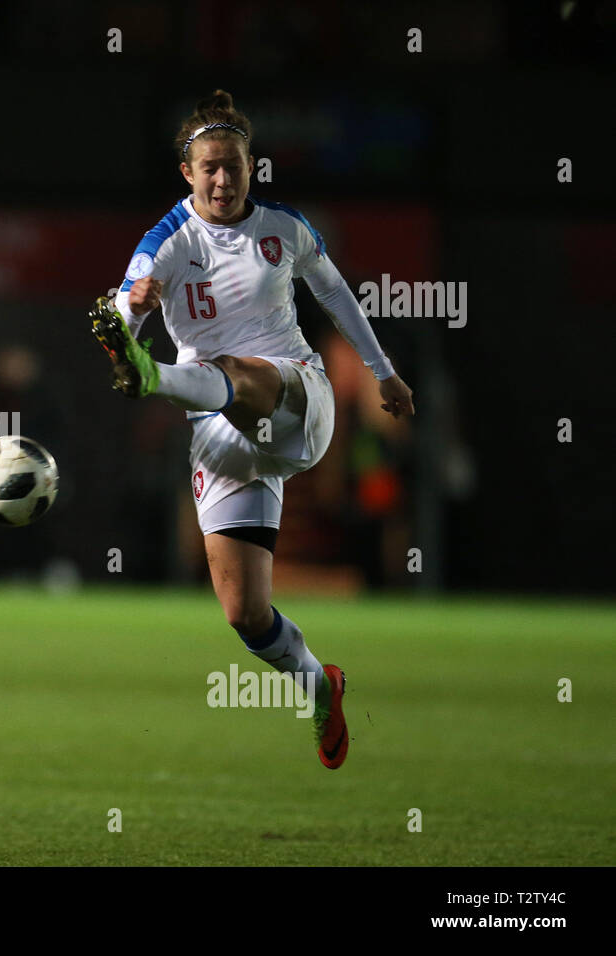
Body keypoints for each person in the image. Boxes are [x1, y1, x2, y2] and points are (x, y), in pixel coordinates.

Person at [91, 91, 415, 769]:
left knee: (228, 368)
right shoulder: (165, 242)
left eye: (233, 166)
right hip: (223, 436)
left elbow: (334, 294)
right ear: (187, 171)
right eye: (209, 167)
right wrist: (131, 313)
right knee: (244, 613)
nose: (221, 179)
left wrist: (381, 372)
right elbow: (117, 315)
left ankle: (155, 379)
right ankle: (317, 685)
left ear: (251, 166)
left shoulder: (283, 227)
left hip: (297, 398)